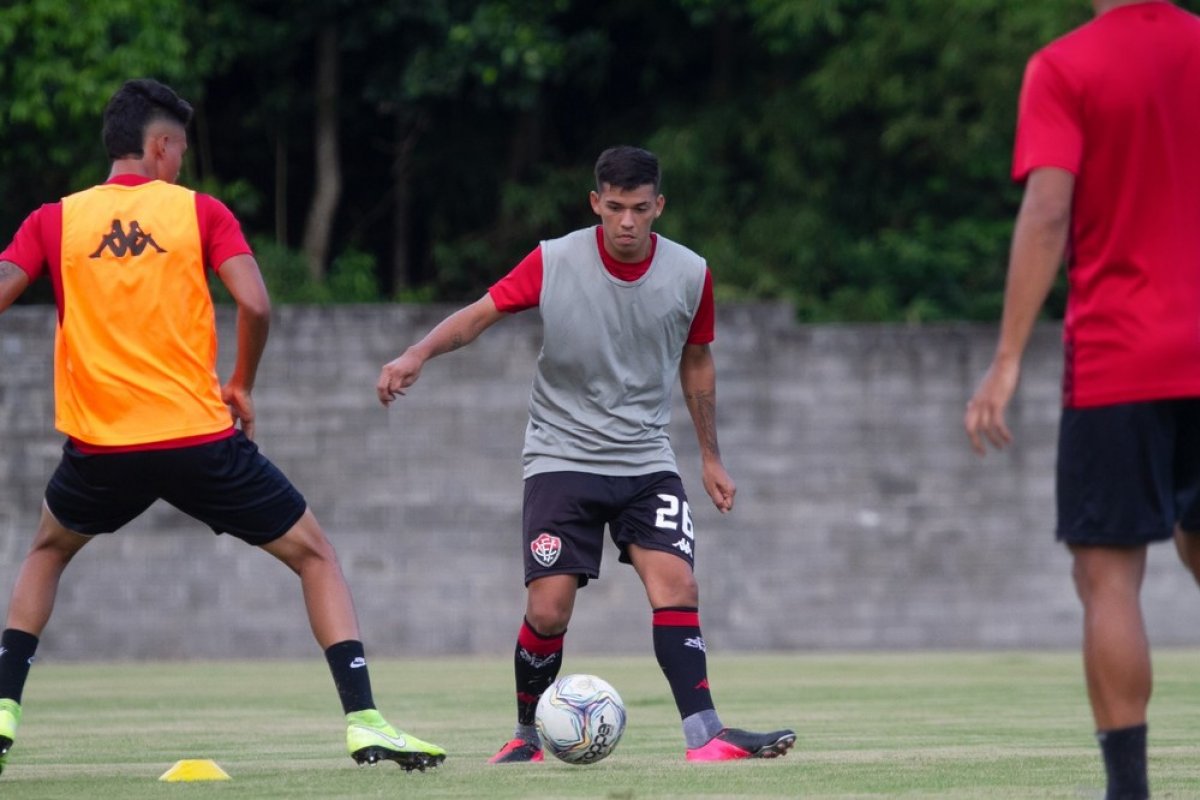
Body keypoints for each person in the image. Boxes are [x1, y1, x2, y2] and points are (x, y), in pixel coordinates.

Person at [0, 78, 446, 775]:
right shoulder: (199, 214)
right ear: (158, 145)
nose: (179, 165)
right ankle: (363, 720)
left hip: (101, 446)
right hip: (198, 439)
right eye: (177, 150)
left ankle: (2, 709)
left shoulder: (53, 221)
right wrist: (241, 383)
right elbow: (257, 305)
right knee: (315, 555)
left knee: (47, 552)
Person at [377, 145, 795, 763]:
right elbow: (480, 315)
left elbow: (698, 360)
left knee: (677, 586)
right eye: (616, 208)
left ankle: (705, 737)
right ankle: (526, 737)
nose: (627, 222)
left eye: (641, 209)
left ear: (660, 207)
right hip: (561, 456)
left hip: (646, 460)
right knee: (547, 610)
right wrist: (416, 354)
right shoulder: (554, 260)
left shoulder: (690, 273)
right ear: (596, 203)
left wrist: (710, 456)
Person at [964, 3, 1200, 798]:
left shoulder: (1067, 67)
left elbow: (1048, 213)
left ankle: (1129, 791)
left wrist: (1005, 360)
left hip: (1120, 358)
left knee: (1109, 580)